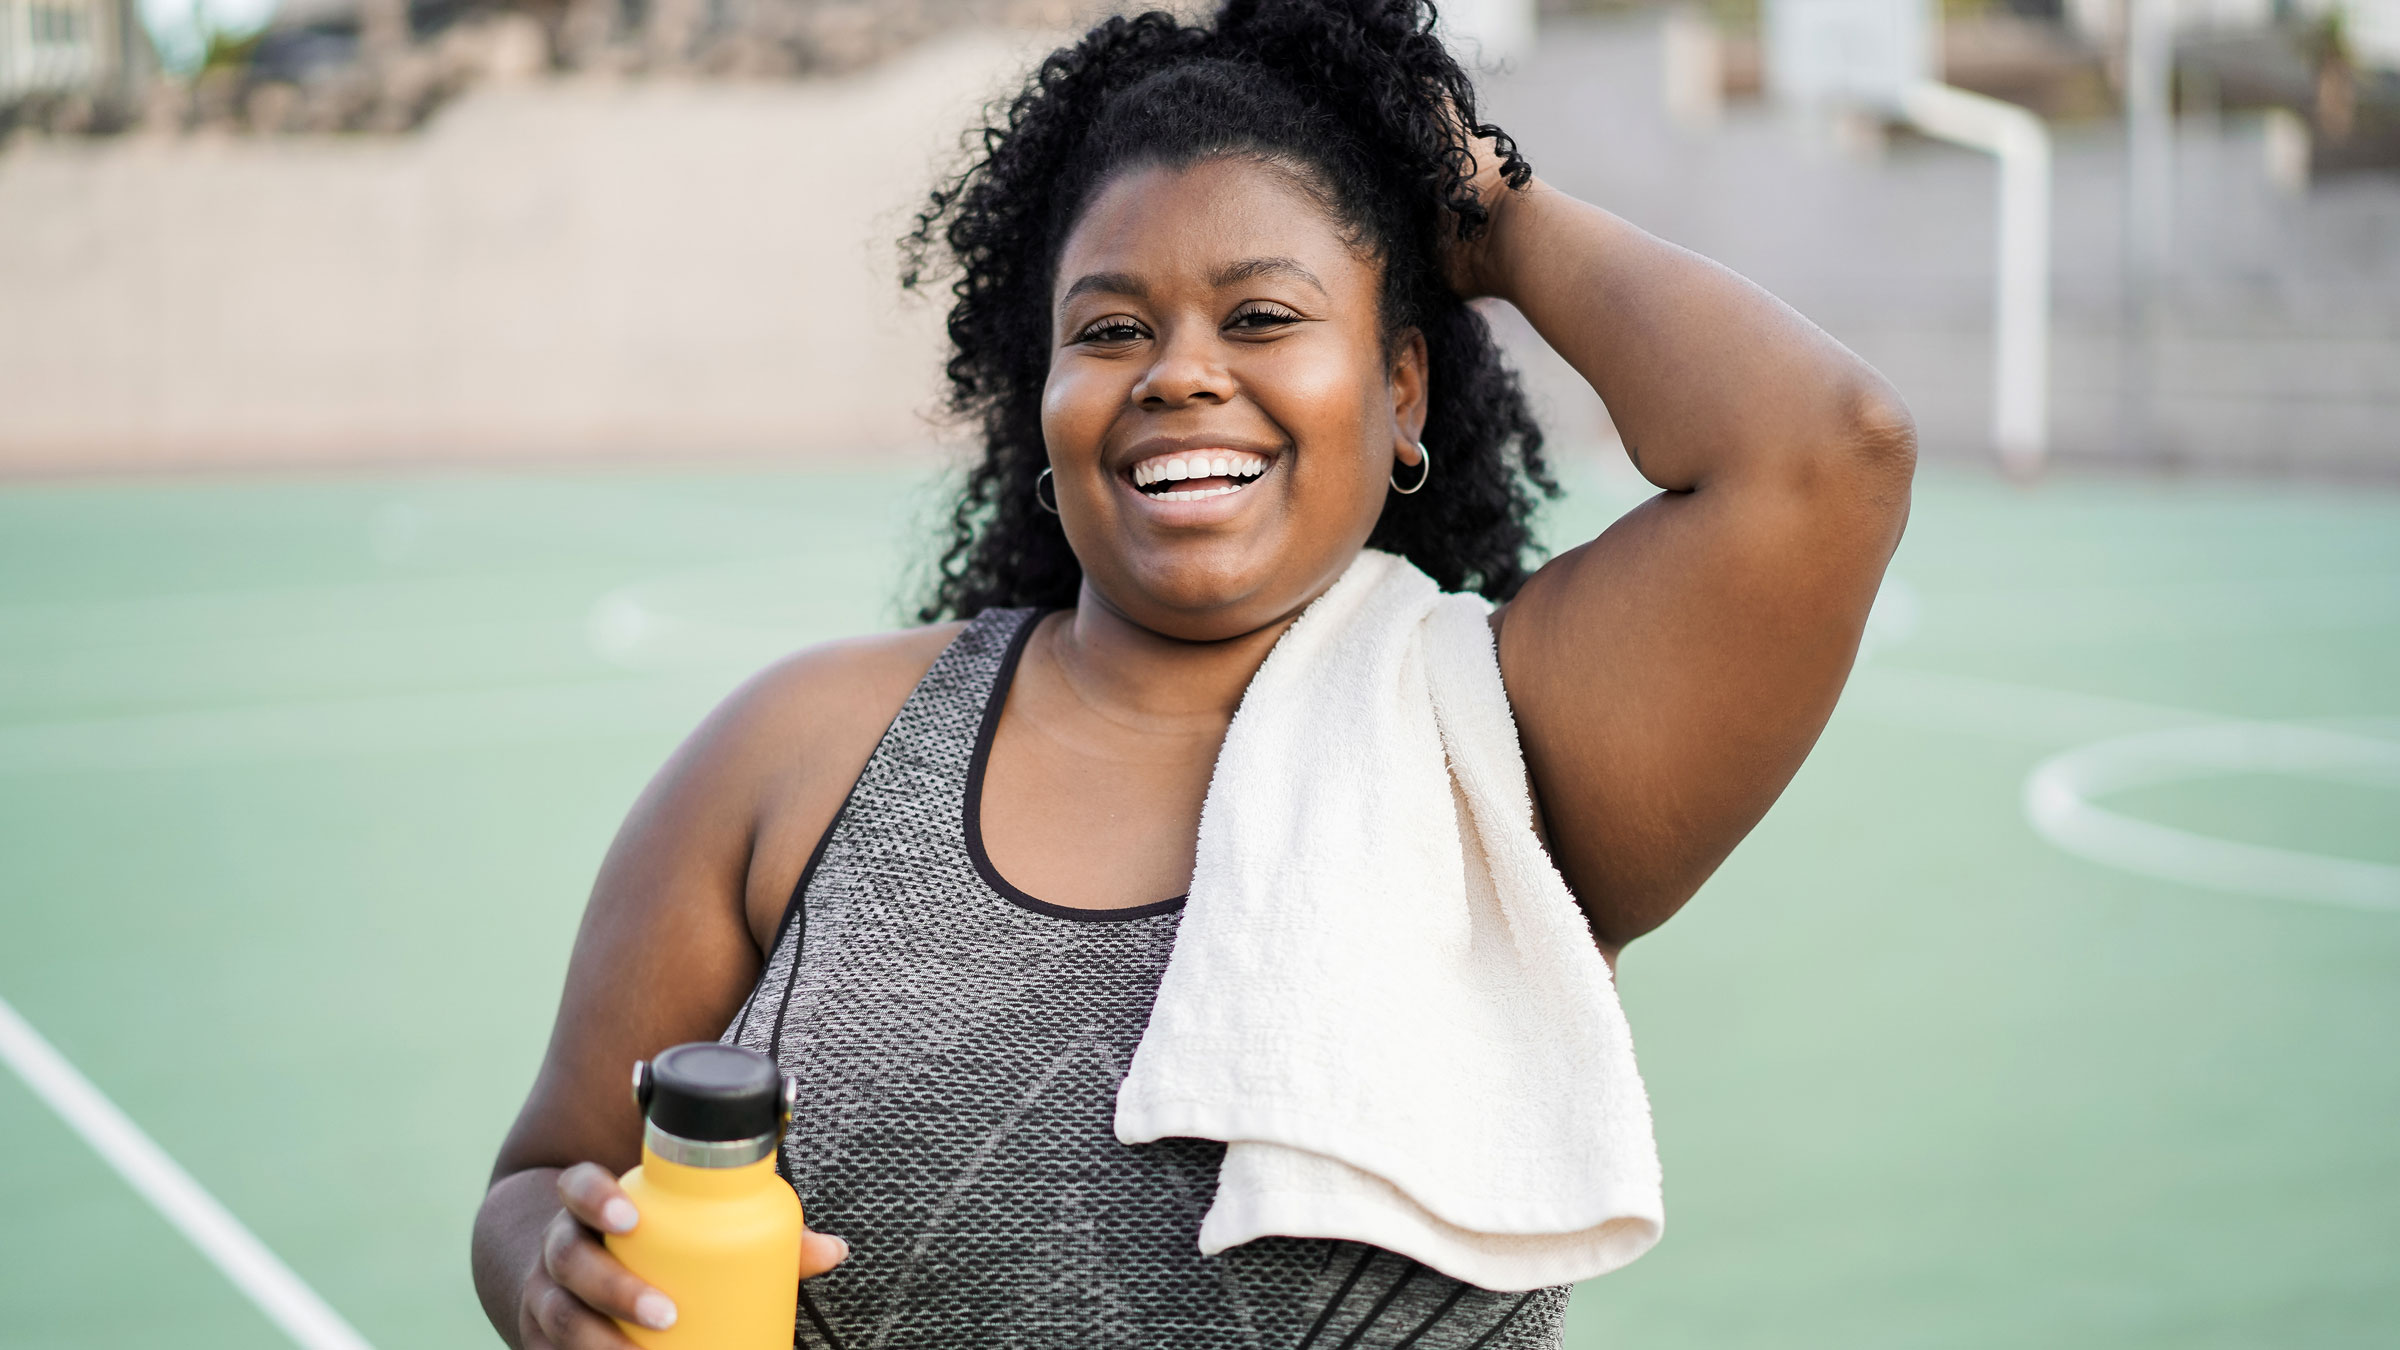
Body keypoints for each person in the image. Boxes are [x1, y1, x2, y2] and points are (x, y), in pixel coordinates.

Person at [469, 1, 1915, 1345]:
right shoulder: (800, 748)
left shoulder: (1513, 742)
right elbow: (546, 1173)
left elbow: (1826, 453)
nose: (1178, 373)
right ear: (1038, 399)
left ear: (1401, 386)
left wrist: (1480, 207)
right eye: (1110, 329)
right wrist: (553, 1270)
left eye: (1265, 316)